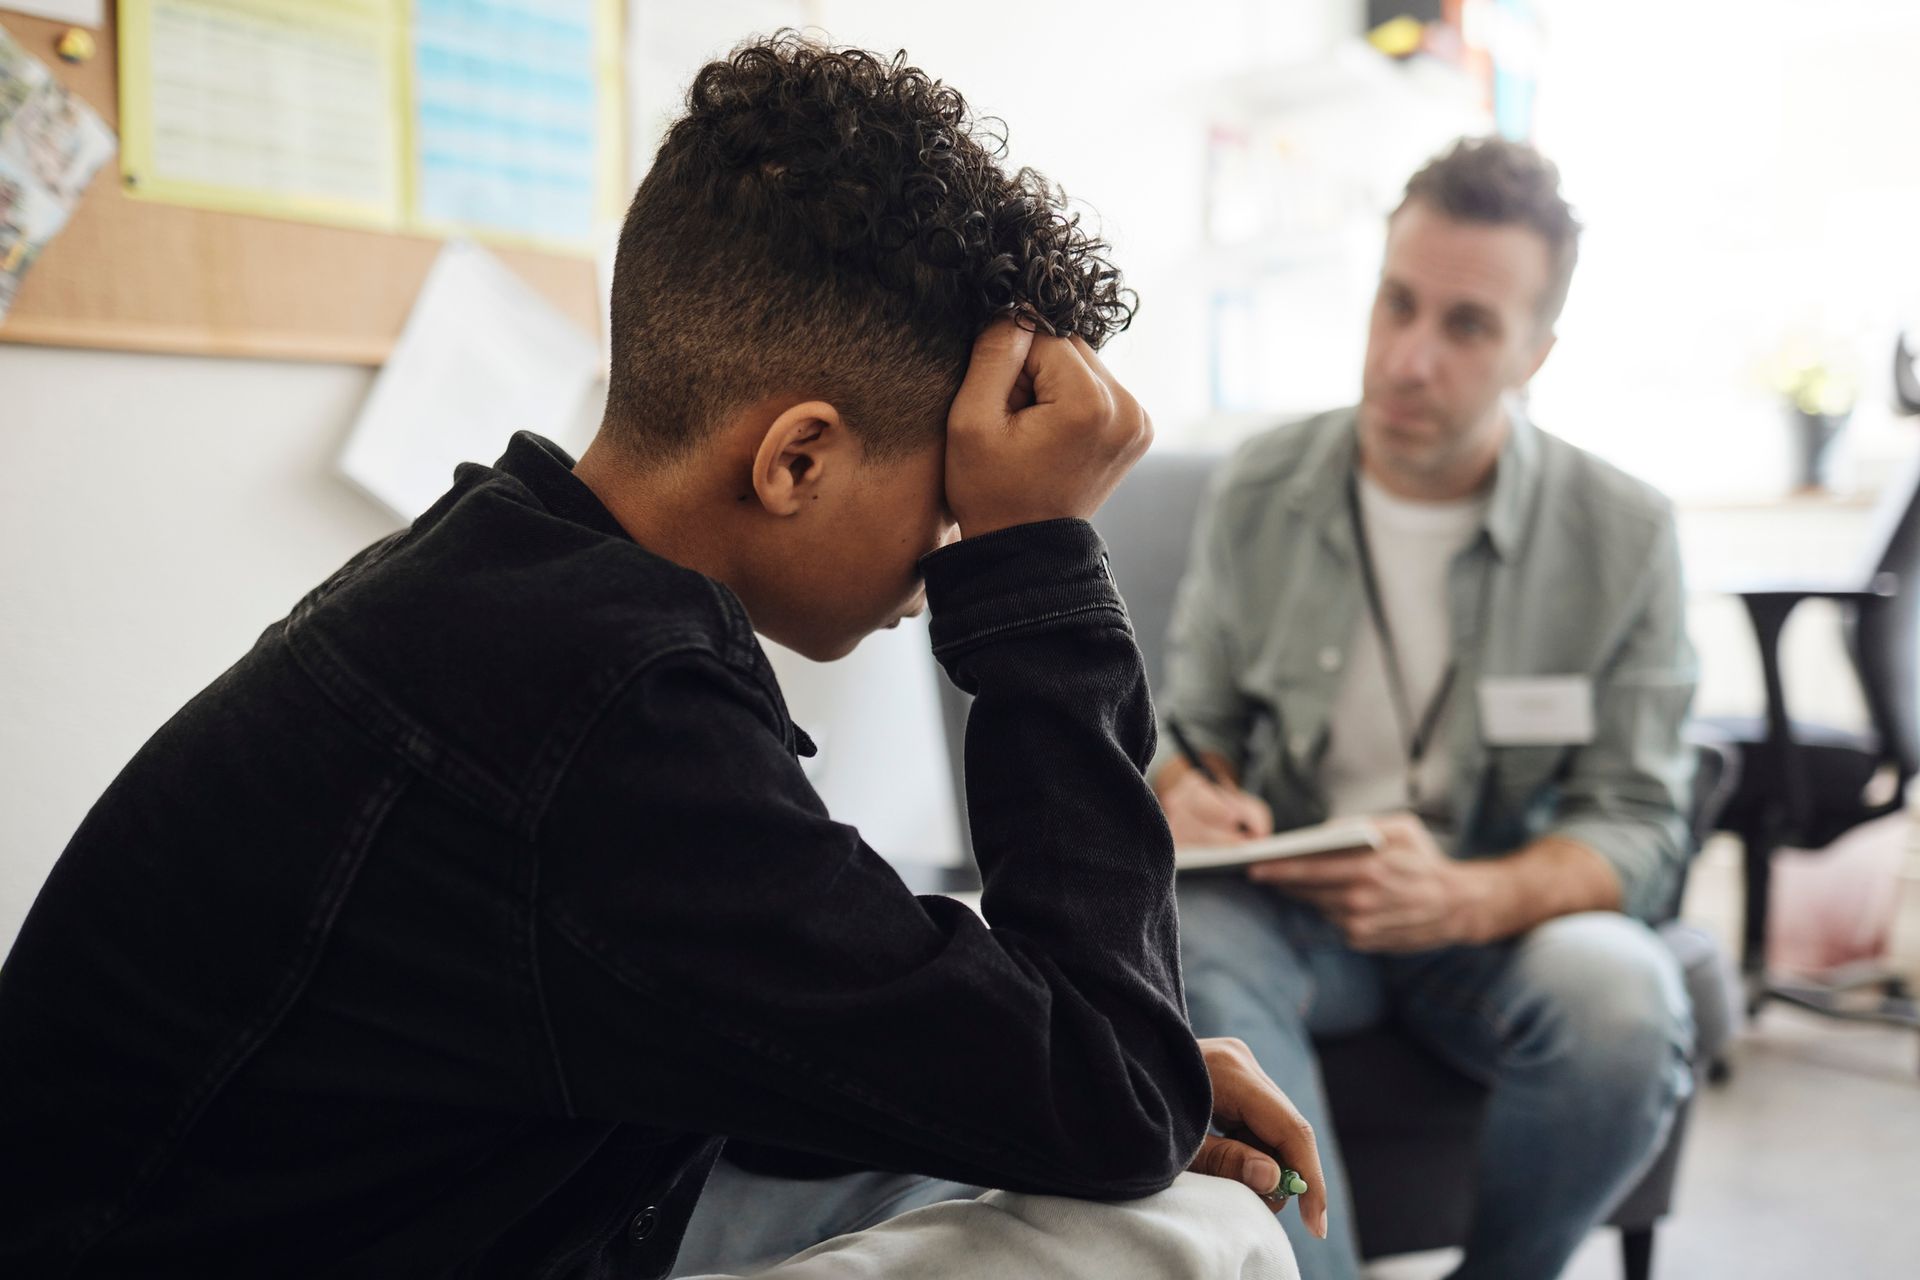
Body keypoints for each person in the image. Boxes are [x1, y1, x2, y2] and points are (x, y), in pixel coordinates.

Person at [0, 36, 1322, 1278]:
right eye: (957, 498)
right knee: (1177, 1228)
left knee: (1039, 1137)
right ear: (795, 458)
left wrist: (1096, 1062)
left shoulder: (506, 580)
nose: (950, 550)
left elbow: (739, 999)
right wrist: (1039, 569)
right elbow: (1113, 1102)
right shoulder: (601, 714)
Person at [1154, 137, 1698, 1280]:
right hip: (1289, 909)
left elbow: (1642, 824)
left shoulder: (1626, 531)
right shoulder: (1259, 486)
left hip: (1494, 920)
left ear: (1535, 352)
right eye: (1396, 303)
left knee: (1623, 994)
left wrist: (1465, 895)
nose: (1407, 358)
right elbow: (1186, 730)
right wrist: (1183, 793)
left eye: (1466, 326)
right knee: (1192, 936)